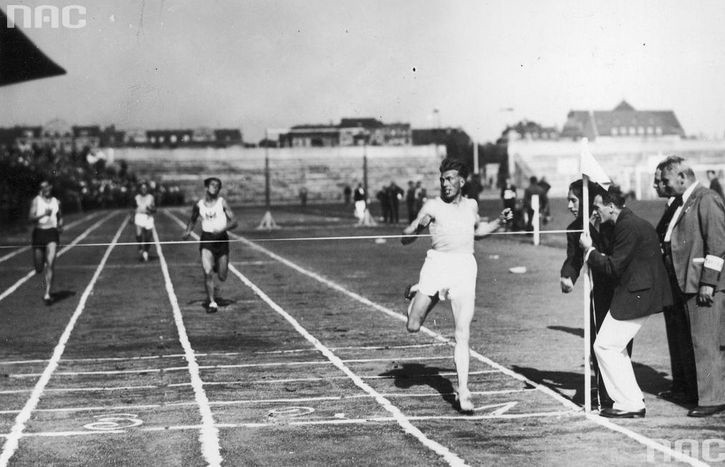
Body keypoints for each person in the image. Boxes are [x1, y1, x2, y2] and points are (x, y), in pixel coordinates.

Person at [401, 158, 512, 413]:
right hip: (437, 265)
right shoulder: (432, 205)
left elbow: (479, 231)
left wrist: (499, 221)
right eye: (442, 179)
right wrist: (418, 226)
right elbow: (405, 239)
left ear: (461, 182)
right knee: (413, 326)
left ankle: (463, 390)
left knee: (462, 332)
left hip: (464, 267)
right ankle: (419, 291)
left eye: (450, 179)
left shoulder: (471, 205)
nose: (445, 184)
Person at [579, 185, 672, 418]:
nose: (594, 211)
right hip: (640, 291)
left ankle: (629, 402)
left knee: (603, 346)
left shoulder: (627, 226)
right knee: (612, 347)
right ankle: (632, 400)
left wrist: (589, 252)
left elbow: (612, 266)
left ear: (611, 206)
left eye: (597, 207)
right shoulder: (627, 223)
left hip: (638, 294)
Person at [661, 158, 725, 417]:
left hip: (701, 283)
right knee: (690, 342)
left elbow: (718, 243)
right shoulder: (682, 201)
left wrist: (708, 282)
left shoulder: (706, 198)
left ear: (682, 177)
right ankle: (694, 391)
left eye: (666, 180)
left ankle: (713, 398)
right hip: (683, 281)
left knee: (705, 343)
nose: (663, 185)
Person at [560, 179, 625, 410]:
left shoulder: (611, 223)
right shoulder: (574, 228)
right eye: (568, 200)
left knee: (617, 343)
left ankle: (620, 391)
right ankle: (605, 393)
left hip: (619, 289)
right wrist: (568, 276)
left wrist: (593, 233)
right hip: (596, 291)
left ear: (587, 200)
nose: (569, 205)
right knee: (596, 341)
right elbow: (574, 258)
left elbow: (612, 254)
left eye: (573, 200)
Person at [653, 158, 697, 405]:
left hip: (684, 279)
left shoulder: (692, 202)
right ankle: (681, 384)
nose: (657, 186)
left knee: (686, 336)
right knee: (676, 335)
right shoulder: (673, 204)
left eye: (661, 180)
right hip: (672, 281)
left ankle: (689, 387)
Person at [183, 177, 238, 313]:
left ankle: (216, 265)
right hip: (207, 239)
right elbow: (193, 219)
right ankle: (212, 302)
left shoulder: (222, 203)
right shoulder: (199, 205)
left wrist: (222, 229)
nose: (216, 187)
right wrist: (188, 231)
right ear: (207, 187)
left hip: (222, 240)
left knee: (222, 276)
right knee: (207, 272)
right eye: (213, 185)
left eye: (218, 186)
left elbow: (234, 221)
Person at [29, 180, 63, 305]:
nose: (46, 189)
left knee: (51, 262)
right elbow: (31, 218)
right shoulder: (36, 201)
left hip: (52, 233)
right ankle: (41, 268)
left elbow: (60, 216)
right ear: (41, 189)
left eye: (48, 186)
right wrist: (44, 214)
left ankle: (47, 293)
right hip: (39, 233)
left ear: (50, 187)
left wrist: (60, 224)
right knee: (39, 267)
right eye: (43, 187)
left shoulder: (56, 201)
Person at [132, 181, 156, 262]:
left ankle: (146, 251)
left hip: (148, 217)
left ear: (147, 189)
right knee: (138, 235)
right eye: (142, 188)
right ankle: (140, 247)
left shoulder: (151, 197)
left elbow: (154, 209)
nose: (144, 189)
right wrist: (131, 217)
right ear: (140, 189)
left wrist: (151, 209)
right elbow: (133, 208)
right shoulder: (136, 197)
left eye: (145, 188)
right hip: (139, 216)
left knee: (148, 236)